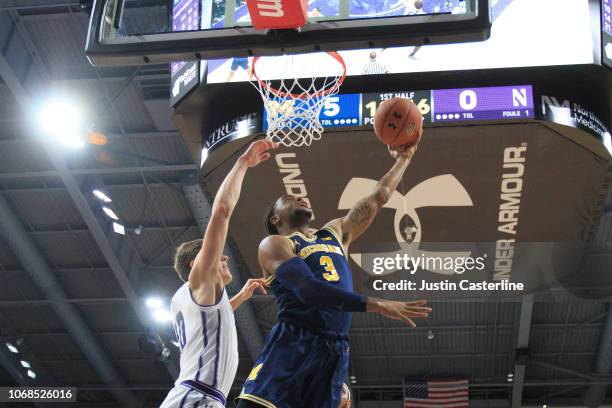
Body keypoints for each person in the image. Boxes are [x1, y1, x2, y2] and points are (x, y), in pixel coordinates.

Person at [236, 139, 431, 408]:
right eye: (289, 199)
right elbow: (309, 290)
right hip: (295, 339)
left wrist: (404, 159)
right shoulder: (275, 244)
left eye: (301, 196)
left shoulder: (335, 233)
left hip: (334, 350)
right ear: (275, 219)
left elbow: (377, 198)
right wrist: (375, 304)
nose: (299, 197)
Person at [160, 139, 278, 408]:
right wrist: (242, 163)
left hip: (199, 397)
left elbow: (209, 322)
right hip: (195, 397)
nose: (224, 257)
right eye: (214, 255)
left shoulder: (186, 299)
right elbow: (222, 212)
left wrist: (239, 298)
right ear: (196, 264)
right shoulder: (199, 282)